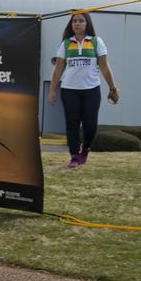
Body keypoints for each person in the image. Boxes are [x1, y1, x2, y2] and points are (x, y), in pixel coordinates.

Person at [48, 12, 119, 169]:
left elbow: (105, 67)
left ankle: (85, 149)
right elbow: (58, 70)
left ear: (87, 24)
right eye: (74, 21)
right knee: (72, 124)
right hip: (69, 89)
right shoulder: (65, 44)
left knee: (90, 124)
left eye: (81, 21)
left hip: (91, 89)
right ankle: (74, 155)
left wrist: (112, 88)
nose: (77, 23)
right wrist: (52, 90)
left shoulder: (96, 42)